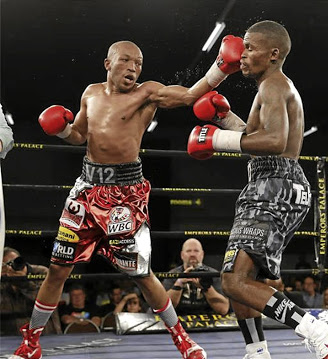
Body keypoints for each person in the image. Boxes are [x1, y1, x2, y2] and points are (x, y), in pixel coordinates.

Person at [10, 37, 245, 359]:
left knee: (141, 274)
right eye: (126, 60)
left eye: (138, 63)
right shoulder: (90, 93)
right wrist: (62, 130)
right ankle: (32, 343)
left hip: (125, 197)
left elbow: (190, 96)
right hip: (85, 191)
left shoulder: (146, 93)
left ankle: (183, 341)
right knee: (57, 268)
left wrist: (222, 68)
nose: (133, 67)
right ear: (108, 64)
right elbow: (79, 135)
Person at [187, 20, 328, 359]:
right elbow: (255, 134)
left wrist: (217, 139)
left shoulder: (274, 85)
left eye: (250, 48)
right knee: (241, 278)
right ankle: (258, 352)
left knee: (233, 281)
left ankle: (323, 333)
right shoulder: (274, 87)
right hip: (276, 184)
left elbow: (274, 142)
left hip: (273, 185)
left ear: (273, 53)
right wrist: (224, 117)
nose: (242, 55)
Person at [1, 247, 61, 335]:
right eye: (6, 265)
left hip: (45, 333)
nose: (11, 267)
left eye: (15, 262)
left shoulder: (41, 272)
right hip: (11, 335)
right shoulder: (2, 278)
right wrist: (4, 279)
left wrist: (23, 281)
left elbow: (46, 300)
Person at [164, 238, 229, 315]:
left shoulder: (213, 274)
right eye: (188, 251)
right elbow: (163, 308)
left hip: (208, 318)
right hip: (178, 317)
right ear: (182, 255)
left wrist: (205, 287)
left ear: (202, 254)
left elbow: (223, 309)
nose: (192, 254)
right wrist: (179, 283)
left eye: (196, 251)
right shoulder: (172, 274)